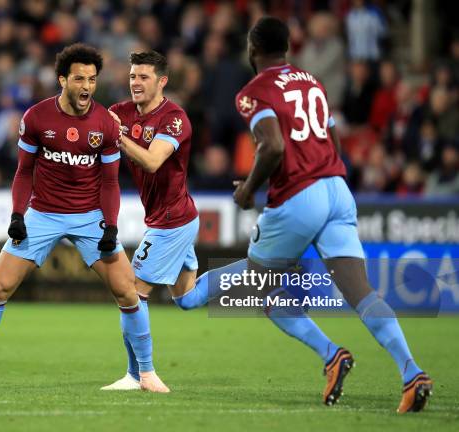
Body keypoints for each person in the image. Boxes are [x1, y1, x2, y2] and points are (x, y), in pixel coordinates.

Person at [0, 44, 168, 393]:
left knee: (128, 292)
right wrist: (17, 215)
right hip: (43, 214)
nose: (87, 86)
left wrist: (111, 224)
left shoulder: (104, 123)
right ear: (62, 80)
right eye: (79, 79)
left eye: (92, 79)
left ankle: (146, 374)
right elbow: (24, 173)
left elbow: (111, 181)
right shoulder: (37, 118)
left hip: (90, 217)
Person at [230, 17, 430, 412]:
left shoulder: (253, 92)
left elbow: (271, 148)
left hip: (300, 194)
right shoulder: (312, 80)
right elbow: (333, 139)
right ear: (287, 48)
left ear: (253, 49)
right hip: (337, 188)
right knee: (361, 293)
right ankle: (411, 372)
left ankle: (330, 354)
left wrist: (248, 190)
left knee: (258, 285)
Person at [101, 51, 237, 390]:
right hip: (167, 217)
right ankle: (251, 270)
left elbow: (151, 161)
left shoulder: (175, 119)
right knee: (187, 298)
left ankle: (138, 375)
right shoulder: (120, 112)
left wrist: (117, 136)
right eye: (133, 76)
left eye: (144, 77)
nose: (135, 82)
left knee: (132, 293)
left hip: (172, 220)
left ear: (162, 81)